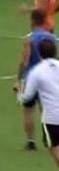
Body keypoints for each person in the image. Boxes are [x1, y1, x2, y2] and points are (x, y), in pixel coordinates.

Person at [14, 9, 56, 151]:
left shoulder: (29, 38)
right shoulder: (51, 37)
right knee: (45, 108)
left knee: (28, 110)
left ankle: (31, 141)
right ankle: (50, 136)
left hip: (32, 77)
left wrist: (18, 79)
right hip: (48, 78)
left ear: (32, 20)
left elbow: (24, 61)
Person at [19, 39, 59, 168]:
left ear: (40, 53)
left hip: (52, 118)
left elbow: (27, 97)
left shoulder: (36, 72)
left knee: (54, 147)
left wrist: (20, 93)